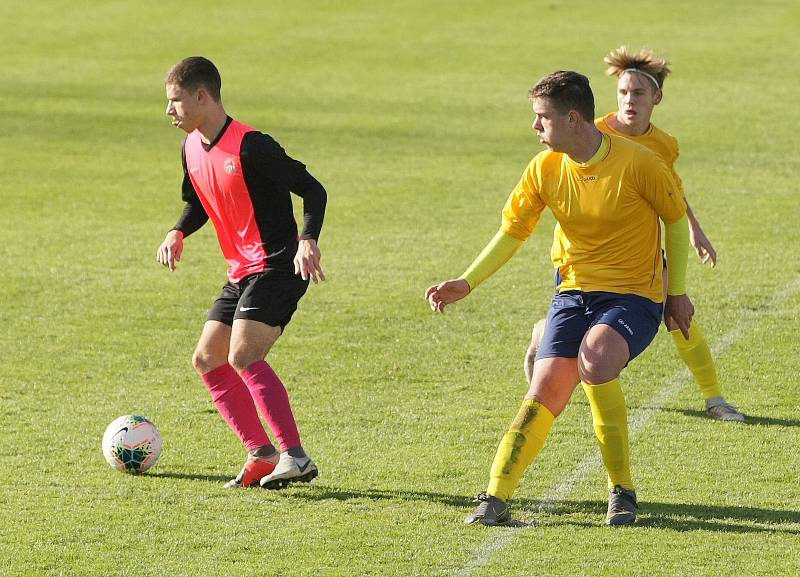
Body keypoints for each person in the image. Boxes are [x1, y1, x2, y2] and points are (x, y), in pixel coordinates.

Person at [426, 70, 692, 526]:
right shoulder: (544, 168)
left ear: (572, 118)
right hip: (572, 291)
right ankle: (495, 497)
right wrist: (467, 282)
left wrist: (678, 293)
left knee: (597, 357)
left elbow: (676, 222)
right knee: (546, 385)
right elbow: (513, 231)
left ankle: (621, 490)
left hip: (634, 295)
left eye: (541, 118)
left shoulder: (639, 163)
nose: (535, 128)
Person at [523, 47, 744, 422]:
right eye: (623, 92)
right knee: (596, 331)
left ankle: (714, 398)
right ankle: (546, 335)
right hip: (582, 257)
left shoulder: (663, 145)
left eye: (638, 93)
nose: (629, 100)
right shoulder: (595, 131)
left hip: (637, 251)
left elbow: (671, 195)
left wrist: (695, 229)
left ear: (656, 98)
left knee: (679, 314)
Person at [156, 56, 327, 489]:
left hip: (279, 265)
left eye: (175, 101)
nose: (169, 111)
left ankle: (296, 456)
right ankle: (263, 454)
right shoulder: (191, 146)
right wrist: (179, 232)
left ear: (202, 96)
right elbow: (198, 198)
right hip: (241, 271)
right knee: (207, 359)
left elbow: (313, 189)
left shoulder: (253, 146)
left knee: (243, 355)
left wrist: (308, 239)